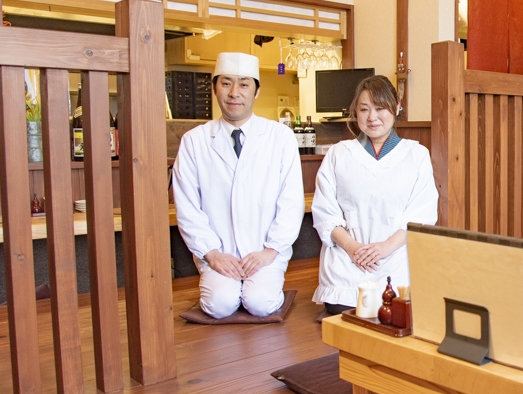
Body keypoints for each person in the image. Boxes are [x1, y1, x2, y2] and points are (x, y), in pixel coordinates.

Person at [172, 52, 305, 319]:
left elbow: (291, 201)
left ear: (256, 91)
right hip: (219, 251)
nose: (235, 93)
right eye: (226, 83)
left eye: (244, 84)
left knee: (261, 304)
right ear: (214, 88)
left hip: (265, 250)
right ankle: (225, 279)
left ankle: (258, 281)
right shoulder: (193, 141)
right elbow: (186, 205)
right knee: (219, 306)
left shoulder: (280, 137)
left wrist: (270, 250)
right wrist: (212, 254)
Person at [311, 75, 438, 313]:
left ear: (397, 106)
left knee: (395, 306)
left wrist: (384, 248)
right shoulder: (339, 153)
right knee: (344, 307)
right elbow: (325, 212)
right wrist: (352, 248)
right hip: (348, 256)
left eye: (380, 108)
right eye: (364, 109)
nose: (372, 117)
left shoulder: (416, 154)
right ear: (355, 112)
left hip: (395, 255)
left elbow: (422, 214)